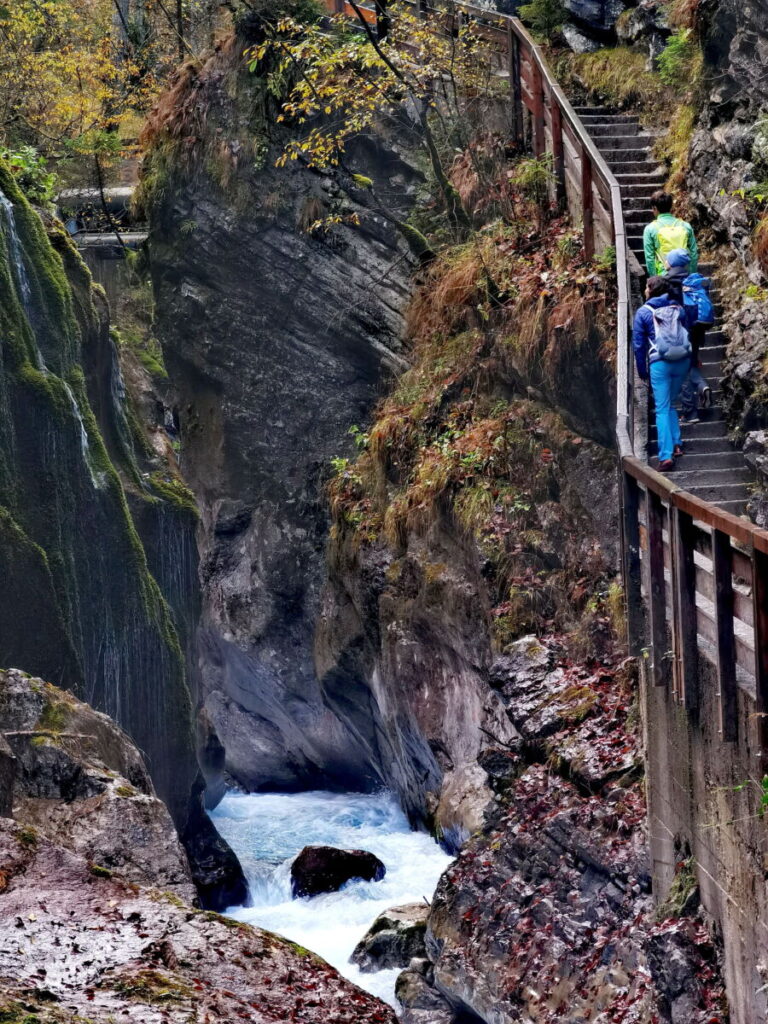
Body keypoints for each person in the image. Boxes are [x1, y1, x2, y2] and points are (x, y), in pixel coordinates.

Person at [633, 276, 692, 470]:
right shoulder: (678, 308)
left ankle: (665, 455)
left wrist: (642, 371)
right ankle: (676, 444)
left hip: (660, 364)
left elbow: (639, 345)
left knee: (662, 408)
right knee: (670, 403)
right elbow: (687, 330)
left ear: (649, 289)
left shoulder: (643, 313)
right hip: (682, 361)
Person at [663, 248, 713, 423]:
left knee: (682, 372)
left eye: (667, 259)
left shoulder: (667, 281)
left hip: (679, 333)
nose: (665, 261)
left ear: (672, 262)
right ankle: (702, 386)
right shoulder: (693, 280)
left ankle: (690, 412)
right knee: (691, 364)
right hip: (696, 331)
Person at [643, 191, 699, 278]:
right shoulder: (685, 226)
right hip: (684, 273)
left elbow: (649, 259)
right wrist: (692, 275)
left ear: (655, 208)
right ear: (671, 206)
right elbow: (694, 254)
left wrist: (654, 279)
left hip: (664, 276)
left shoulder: (650, 229)